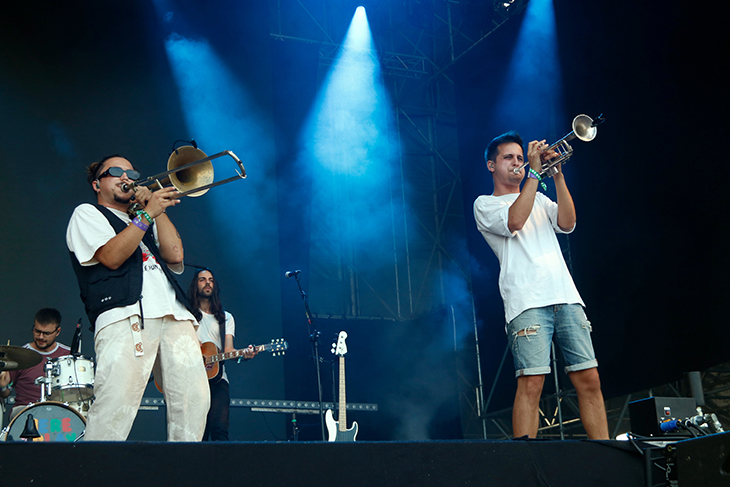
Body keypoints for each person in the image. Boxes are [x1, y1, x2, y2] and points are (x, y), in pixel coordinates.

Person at [473, 131, 609, 440]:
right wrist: (534, 172)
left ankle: (606, 457)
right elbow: (514, 222)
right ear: (491, 166)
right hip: (526, 301)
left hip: (566, 296)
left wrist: (557, 175)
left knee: (589, 379)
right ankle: (526, 466)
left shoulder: (540, 198)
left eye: (521, 158)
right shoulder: (485, 205)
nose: (517, 163)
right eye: (509, 158)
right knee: (531, 383)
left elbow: (567, 223)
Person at [66, 154, 210, 441]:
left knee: (194, 402)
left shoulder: (142, 218)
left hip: (175, 314)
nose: (127, 177)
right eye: (116, 171)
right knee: (116, 406)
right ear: (97, 184)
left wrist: (156, 209)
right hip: (125, 315)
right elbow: (111, 257)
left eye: (132, 172)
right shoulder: (87, 213)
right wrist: (146, 215)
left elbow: (175, 255)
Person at [187, 268, 257, 441]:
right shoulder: (186, 314)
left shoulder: (226, 318)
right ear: (196, 285)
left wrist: (243, 354)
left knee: (219, 429)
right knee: (197, 433)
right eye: (202, 279)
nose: (207, 282)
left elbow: (228, 351)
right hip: (192, 378)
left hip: (218, 379)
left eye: (211, 279)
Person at [0, 308, 70, 421]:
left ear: (58, 332)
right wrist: (3, 386)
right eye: (37, 331)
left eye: (46, 333)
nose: (41, 337)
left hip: (59, 414)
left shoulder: (68, 355)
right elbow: (5, 393)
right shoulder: (20, 355)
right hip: (24, 412)